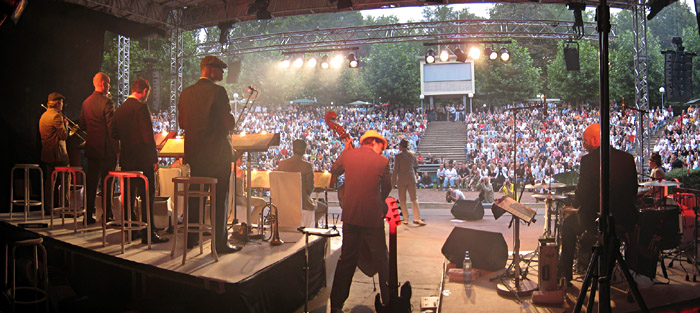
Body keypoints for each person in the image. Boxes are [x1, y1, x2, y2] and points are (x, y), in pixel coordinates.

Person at [558, 123, 638, 284]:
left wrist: (576, 201)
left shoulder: (588, 161)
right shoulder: (627, 158)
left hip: (597, 220)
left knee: (567, 225)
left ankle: (565, 275)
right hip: (624, 219)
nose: (583, 145)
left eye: (585, 141)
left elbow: (582, 194)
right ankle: (629, 271)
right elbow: (633, 191)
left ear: (595, 140)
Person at [178, 56, 240, 254]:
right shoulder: (218, 92)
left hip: (195, 156)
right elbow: (228, 123)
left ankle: (191, 238)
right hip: (218, 156)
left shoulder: (186, 93)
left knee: (196, 196)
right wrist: (232, 120)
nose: (222, 74)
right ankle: (220, 242)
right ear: (211, 70)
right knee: (219, 199)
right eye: (220, 70)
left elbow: (182, 123)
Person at [329, 130, 392, 312]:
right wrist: (378, 201)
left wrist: (345, 150)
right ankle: (388, 301)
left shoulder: (348, 155)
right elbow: (387, 186)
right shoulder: (382, 162)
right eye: (382, 146)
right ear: (374, 142)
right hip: (372, 219)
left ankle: (336, 304)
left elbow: (335, 170)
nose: (382, 151)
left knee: (346, 260)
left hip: (350, 217)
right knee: (382, 261)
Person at [112, 78, 168, 244]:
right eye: (147, 94)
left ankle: (132, 231)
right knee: (147, 196)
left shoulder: (119, 110)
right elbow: (147, 136)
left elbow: (113, 134)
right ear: (144, 91)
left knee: (129, 196)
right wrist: (153, 158)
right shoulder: (141, 107)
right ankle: (148, 233)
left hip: (127, 159)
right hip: (143, 160)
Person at [80, 72, 118, 224]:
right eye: (108, 83)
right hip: (106, 150)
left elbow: (82, 125)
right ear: (103, 84)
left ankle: (88, 215)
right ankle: (106, 215)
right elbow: (112, 129)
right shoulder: (107, 102)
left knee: (91, 184)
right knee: (107, 184)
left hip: (92, 149)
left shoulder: (86, 102)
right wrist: (117, 150)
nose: (109, 86)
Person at [277, 139, 328, 224]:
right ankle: (310, 224)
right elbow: (310, 188)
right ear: (304, 151)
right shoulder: (307, 166)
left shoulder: (282, 164)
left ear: (293, 149)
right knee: (324, 207)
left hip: (284, 202)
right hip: (303, 203)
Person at [39, 92, 69, 215]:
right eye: (61, 102)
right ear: (57, 103)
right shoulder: (57, 117)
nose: (62, 105)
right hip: (58, 154)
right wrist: (66, 125)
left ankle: (48, 208)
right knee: (66, 180)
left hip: (47, 153)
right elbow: (63, 135)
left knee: (49, 182)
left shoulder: (43, 116)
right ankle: (65, 208)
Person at [392, 139, 424, 226]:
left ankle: (405, 218)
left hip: (402, 179)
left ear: (401, 146)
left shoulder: (398, 156)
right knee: (414, 199)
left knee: (402, 200)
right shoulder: (412, 154)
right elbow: (416, 164)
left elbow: (395, 170)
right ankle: (417, 218)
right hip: (411, 178)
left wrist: (393, 181)